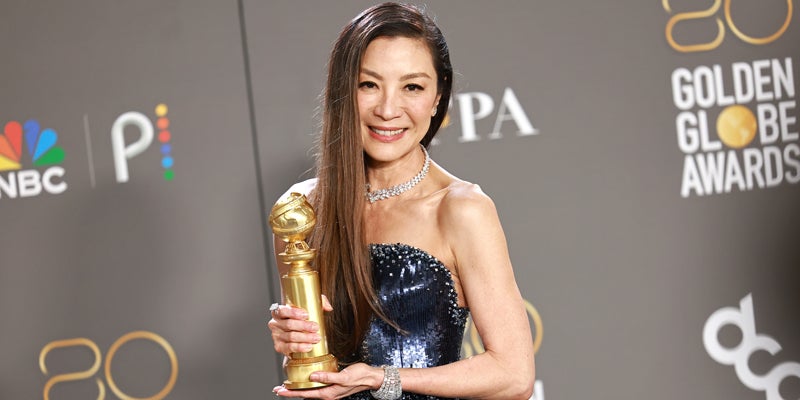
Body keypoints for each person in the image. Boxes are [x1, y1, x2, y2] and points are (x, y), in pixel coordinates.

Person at [268, 3, 534, 399]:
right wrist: (294, 339)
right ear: (343, 92)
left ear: (437, 96)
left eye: (412, 87)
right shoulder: (301, 211)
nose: (389, 110)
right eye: (368, 85)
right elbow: (316, 373)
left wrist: (381, 378)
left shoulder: (460, 209)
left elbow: (514, 376)